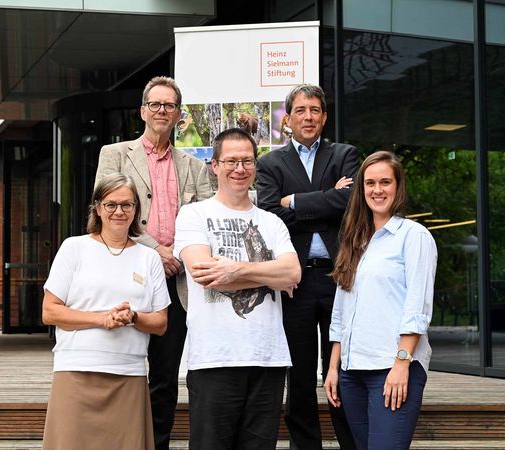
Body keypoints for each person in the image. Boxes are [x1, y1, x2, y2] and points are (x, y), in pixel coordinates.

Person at [94, 76, 212, 449]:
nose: (162, 111)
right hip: (127, 274)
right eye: (156, 104)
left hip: (176, 281)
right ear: (143, 110)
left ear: (179, 115)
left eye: (170, 106)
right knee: (121, 367)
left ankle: (156, 443)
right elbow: (106, 210)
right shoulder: (114, 154)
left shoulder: (193, 166)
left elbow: (207, 218)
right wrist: (153, 250)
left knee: (164, 373)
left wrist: (176, 253)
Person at [174, 128, 301, 450]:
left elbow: (292, 273)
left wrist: (234, 269)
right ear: (214, 165)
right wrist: (268, 274)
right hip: (214, 358)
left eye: (247, 161)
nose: (239, 169)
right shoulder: (194, 214)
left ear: (255, 166)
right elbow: (203, 273)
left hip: (267, 357)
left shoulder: (272, 222)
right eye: (231, 161)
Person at [256, 83, 358, 450]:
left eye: (315, 110)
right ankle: (305, 446)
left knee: (345, 366)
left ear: (324, 117)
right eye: (300, 110)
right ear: (288, 119)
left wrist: (295, 201)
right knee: (298, 373)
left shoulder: (345, 154)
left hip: (338, 277)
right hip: (294, 281)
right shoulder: (269, 163)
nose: (309, 116)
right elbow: (270, 216)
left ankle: (351, 442)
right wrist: (326, 202)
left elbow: (350, 202)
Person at [41, 173, 170, 450]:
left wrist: (132, 317)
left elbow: (160, 323)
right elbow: (50, 312)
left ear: (136, 209)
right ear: (98, 208)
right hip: (76, 373)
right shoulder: (73, 248)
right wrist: (102, 319)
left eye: (127, 205)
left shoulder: (149, 258)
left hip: (128, 376)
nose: (119, 212)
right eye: (111, 204)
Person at [324, 150, 437, 450]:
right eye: (370, 183)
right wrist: (334, 367)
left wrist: (402, 364)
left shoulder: (414, 236)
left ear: (398, 187)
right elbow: (341, 310)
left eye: (385, 182)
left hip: (393, 368)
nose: (377, 190)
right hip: (351, 373)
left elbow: (418, 306)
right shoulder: (356, 240)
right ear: (361, 190)